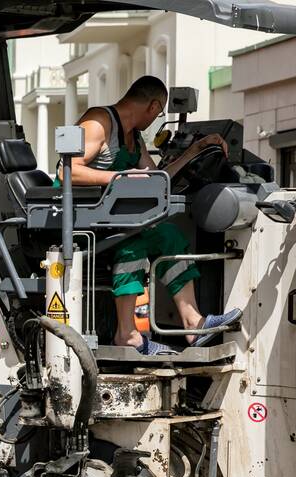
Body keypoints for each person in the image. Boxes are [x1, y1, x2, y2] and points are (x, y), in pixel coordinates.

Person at [62, 75, 242, 355]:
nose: (156, 118)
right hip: (81, 222)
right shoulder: (99, 123)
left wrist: (194, 150)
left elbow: (157, 177)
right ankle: (127, 335)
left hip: (113, 220)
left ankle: (193, 324)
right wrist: (118, 176)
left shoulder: (134, 137)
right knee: (133, 244)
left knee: (169, 235)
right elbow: (67, 171)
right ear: (154, 105)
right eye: (158, 113)